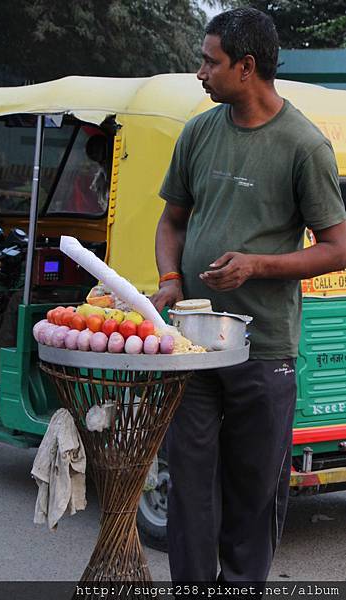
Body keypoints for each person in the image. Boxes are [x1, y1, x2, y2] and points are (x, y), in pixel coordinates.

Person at [150, 8, 346, 586]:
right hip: (193, 346)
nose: (200, 72)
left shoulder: (303, 145)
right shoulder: (198, 132)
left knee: (255, 491)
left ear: (247, 66)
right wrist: (169, 281)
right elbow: (172, 223)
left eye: (210, 61)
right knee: (188, 482)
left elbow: (337, 247)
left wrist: (258, 265)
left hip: (263, 350)